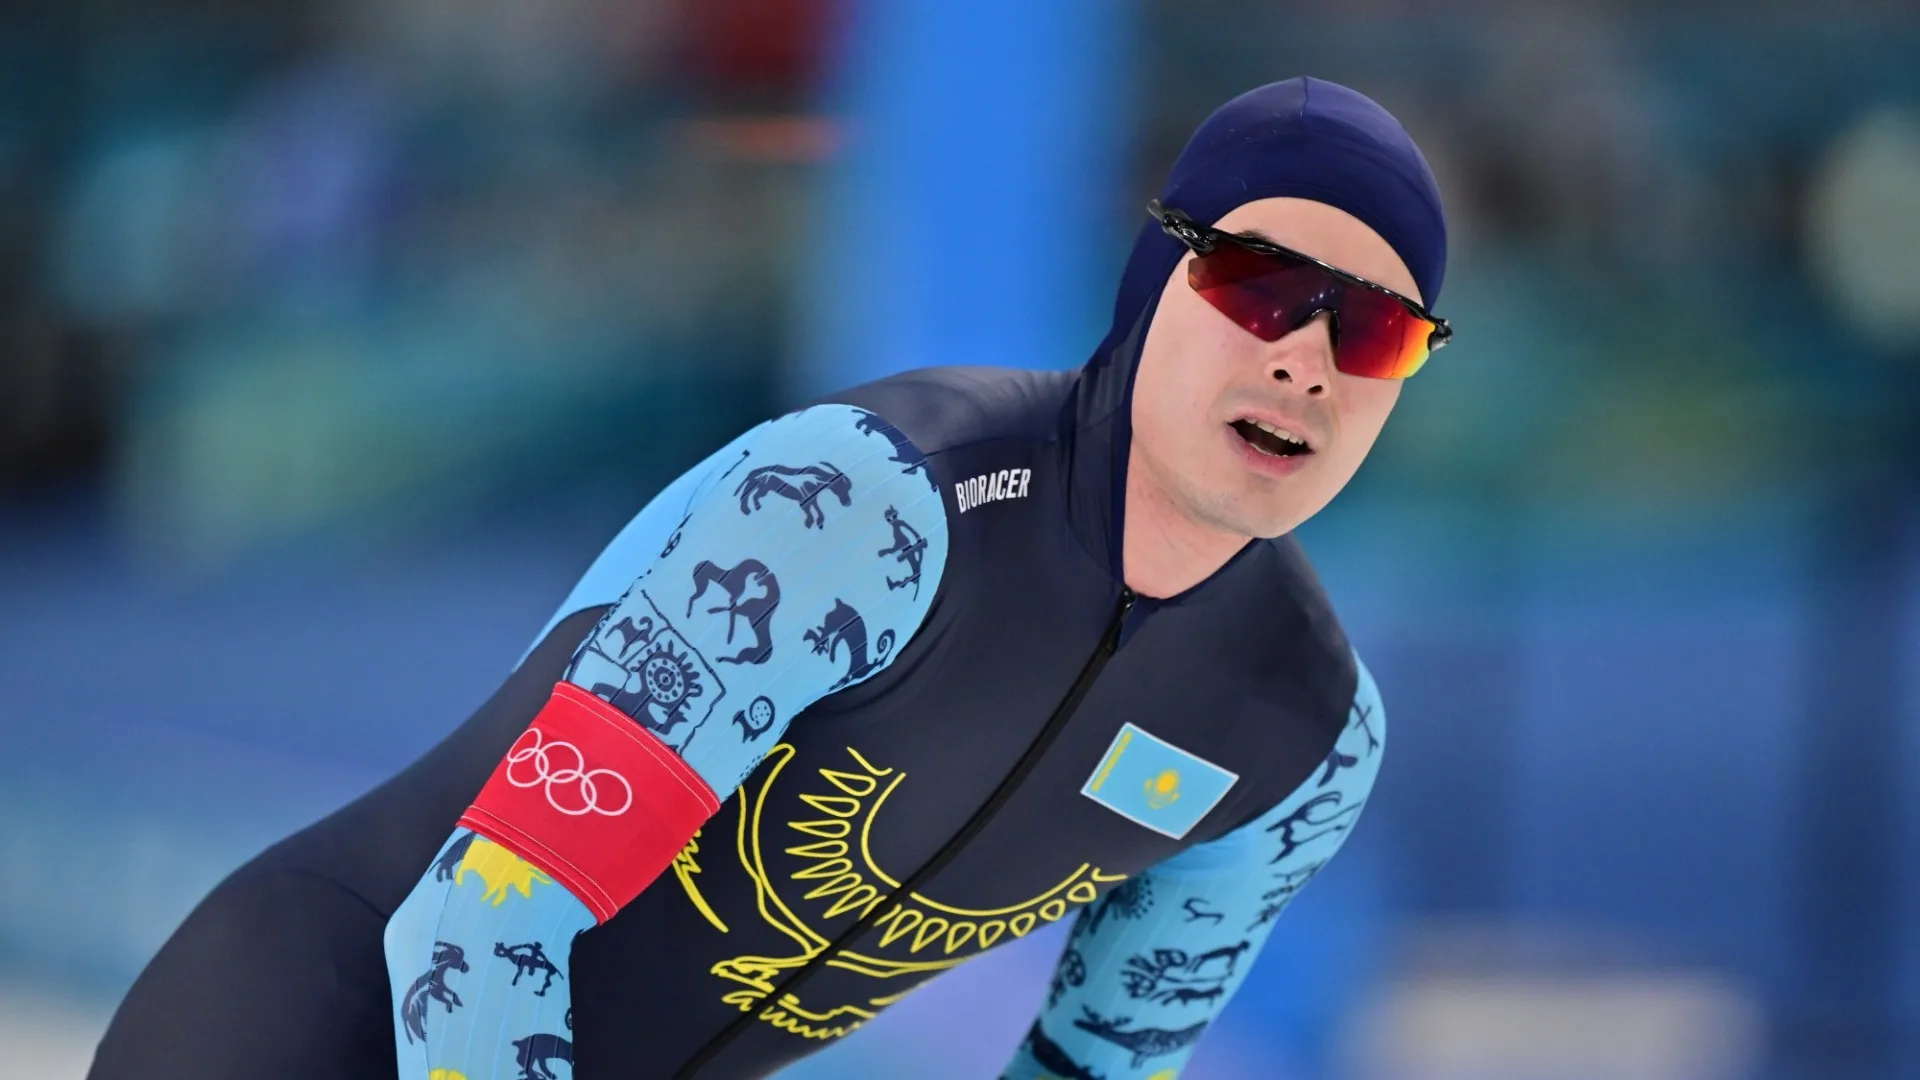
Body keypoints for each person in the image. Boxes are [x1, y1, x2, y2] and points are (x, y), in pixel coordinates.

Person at [89, 75, 1451, 1080]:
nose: (1304, 359)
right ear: (1155, 279)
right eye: (1259, 285)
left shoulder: (1306, 736)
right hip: (314, 1026)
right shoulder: (875, 505)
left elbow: (1101, 1069)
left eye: (1375, 332)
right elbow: (482, 920)